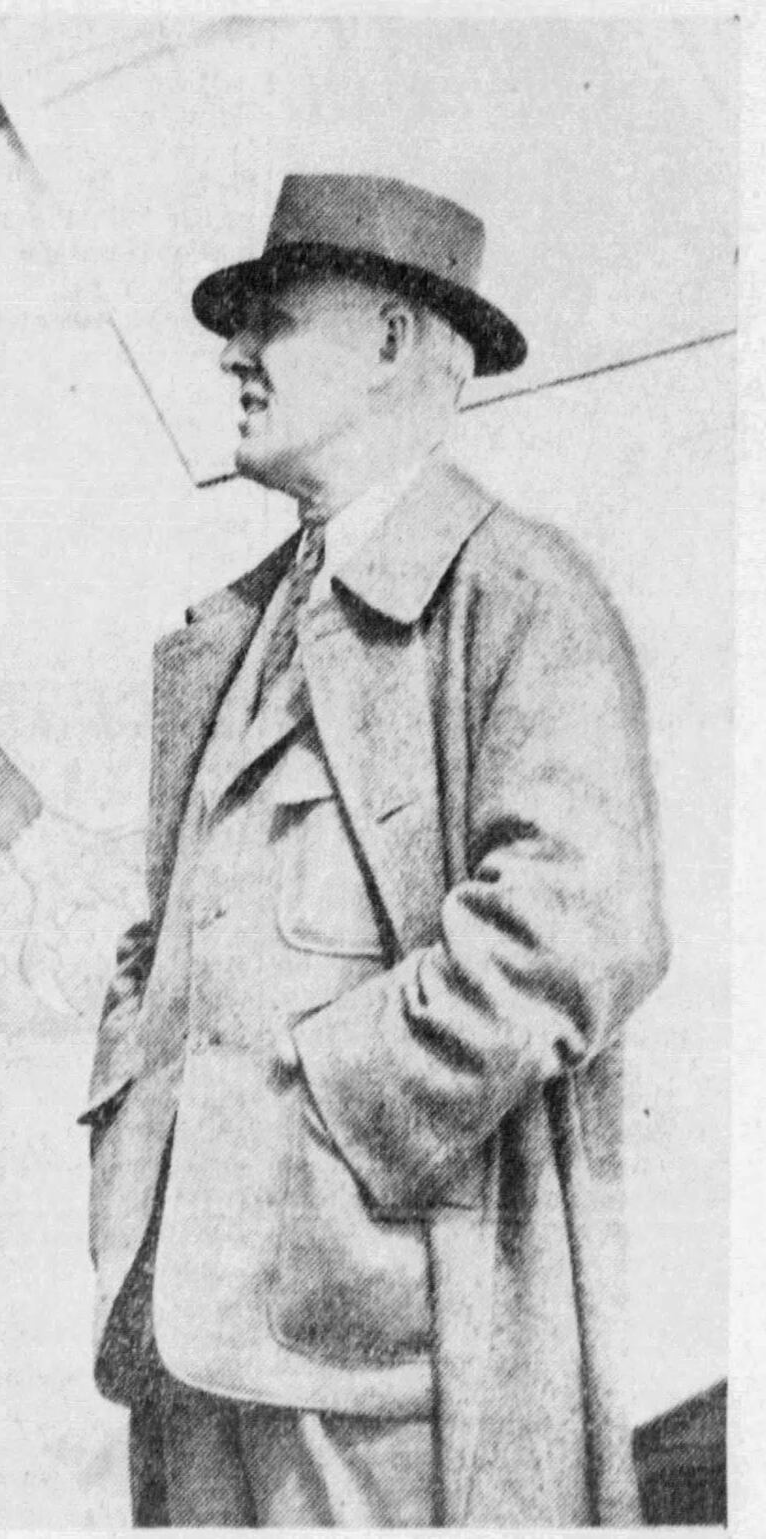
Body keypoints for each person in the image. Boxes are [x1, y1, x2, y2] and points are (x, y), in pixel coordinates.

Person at [82, 173, 669, 1527]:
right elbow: (169, 932)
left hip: (397, 1346)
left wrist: (317, 1125)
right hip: (196, 1324)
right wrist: (141, 1105)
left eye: (273, 321)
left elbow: (574, 934)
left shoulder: (525, 601)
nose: (236, 355)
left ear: (394, 343)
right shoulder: (232, 628)